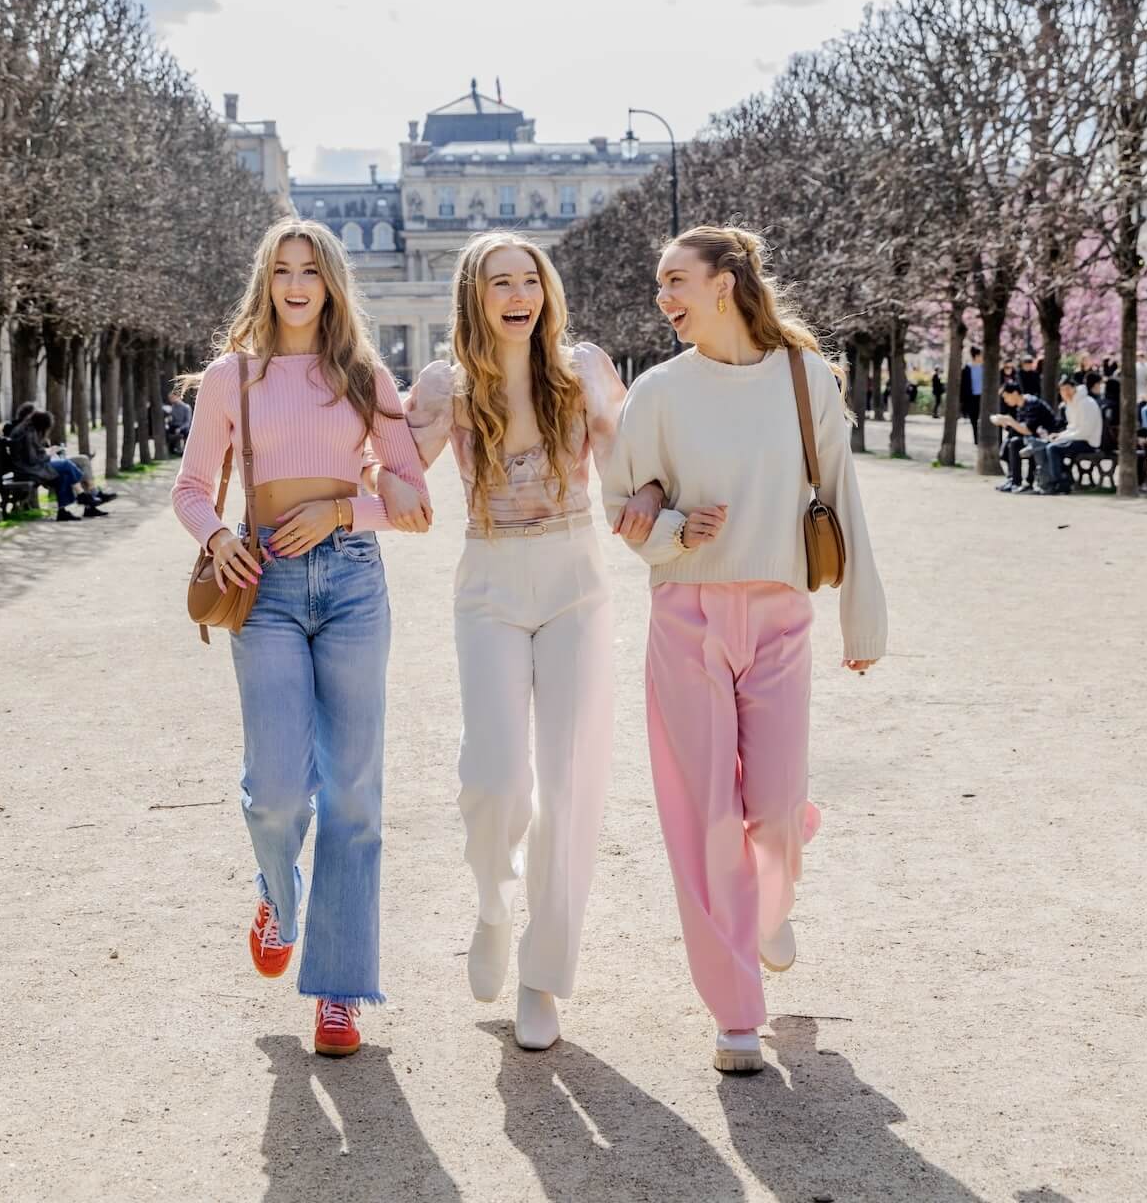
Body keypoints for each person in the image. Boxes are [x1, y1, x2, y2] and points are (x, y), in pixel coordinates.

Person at [602, 224, 887, 1077]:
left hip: (780, 614)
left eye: (676, 280)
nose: (664, 296)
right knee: (706, 819)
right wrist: (673, 531)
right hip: (686, 615)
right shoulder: (657, 391)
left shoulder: (804, 378)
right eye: (661, 283)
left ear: (724, 283)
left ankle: (773, 888)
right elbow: (621, 507)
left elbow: (841, 494)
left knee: (775, 807)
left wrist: (863, 620)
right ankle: (735, 1012)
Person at [386, 233, 661, 1053]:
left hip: (576, 577)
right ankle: (492, 900)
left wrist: (653, 497)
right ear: (474, 296)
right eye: (500, 282)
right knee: (497, 776)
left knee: (569, 785)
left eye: (530, 281)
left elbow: (632, 460)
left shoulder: (584, 369)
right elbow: (395, 465)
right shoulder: (446, 385)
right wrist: (379, 482)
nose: (519, 295)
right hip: (490, 583)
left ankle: (543, 976)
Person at [172, 219, 432, 1060]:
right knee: (278, 791)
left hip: (353, 582)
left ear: (330, 284)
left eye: (310, 270)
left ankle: (339, 994)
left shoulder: (364, 376)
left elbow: (413, 497)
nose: (295, 284)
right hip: (266, 585)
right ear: (266, 280)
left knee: (353, 796)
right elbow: (190, 488)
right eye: (282, 269)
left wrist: (342, 510)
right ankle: (276, 900)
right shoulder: (232, 377)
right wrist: (218, 536)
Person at [8, 409, 107, 520]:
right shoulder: (28, 433)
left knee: (64, 474)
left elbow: (32, 454)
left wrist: (47, 451)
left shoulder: (27, 429)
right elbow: (33, 459)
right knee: (66, 465)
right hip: (29, 470)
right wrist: (49, 454)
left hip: (28, 468)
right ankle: (82, 495)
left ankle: (62, 512)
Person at [1029, 376, 1104, 495]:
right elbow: (1072, 427)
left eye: (1068, 389)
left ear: (1074, 388)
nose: (1066, 392)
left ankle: (1060, 483)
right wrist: (1059, 435)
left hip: (1088, 441)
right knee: (1046, 445)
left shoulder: (1086, 403)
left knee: (1053, 448)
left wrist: (1062, 438)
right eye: (1062, 390)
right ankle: (1055, 480)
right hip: (1077, 438)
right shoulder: (1071, 403)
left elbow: (1085, 432)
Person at [991, 382, 1057, 492]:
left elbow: (1028, 430)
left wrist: (1010, 420)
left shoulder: (1032, 404)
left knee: (1015, 443)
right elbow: (1019, 429)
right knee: (1009, 442)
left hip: (1046, 438)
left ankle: (1019, 482)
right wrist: (1005, 423)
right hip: (1034, 438)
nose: (1005, 400)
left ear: (1015, 393)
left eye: (1006, 397)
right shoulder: (1021, 405)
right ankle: (1012, 480)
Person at [961, 346, 983, 443]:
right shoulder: (967, 369)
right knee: (973, 419)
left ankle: (982, 438)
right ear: (976, 356)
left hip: (982, 397)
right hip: (971, 398)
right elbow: (963, 386)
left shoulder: (984, 368)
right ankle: (976, 439)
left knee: (983, 419)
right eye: (981, 355)